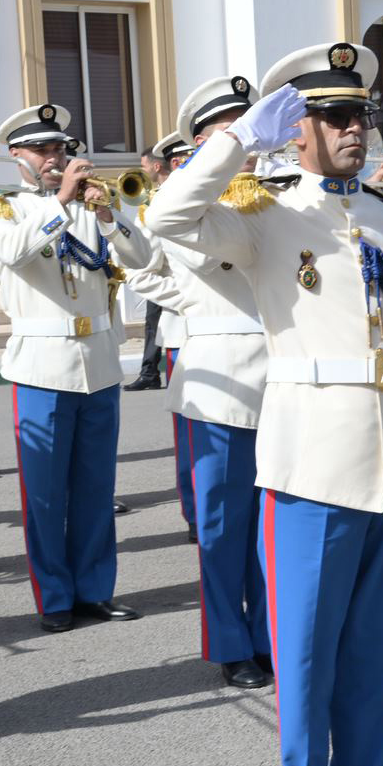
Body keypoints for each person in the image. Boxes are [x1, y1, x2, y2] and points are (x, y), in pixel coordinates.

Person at [145, 41, 383, 766]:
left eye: (361, 115)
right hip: (313, 466)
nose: (355, 130)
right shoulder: (265, 211)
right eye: (335, 117)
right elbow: (167, 217)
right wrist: (240, 140)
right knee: (308, 663)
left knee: (375, 662)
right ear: (298, 130)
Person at [0, 104, 151, 632]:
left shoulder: (91, 201)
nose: (55, 157)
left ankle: (95, 591)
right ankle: (54, 597)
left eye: (59, 148)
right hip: (42, 366)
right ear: (16, 156)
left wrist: (107, 216)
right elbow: (13, 254)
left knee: (95, 488)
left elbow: (141, 257)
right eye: (42, 150)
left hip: (98, 360)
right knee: (46, 494)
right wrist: (62, 201)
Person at [125, 73, 275, 690]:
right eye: (231, 131)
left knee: (271, 527)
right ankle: (230, 643)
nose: (249, 140)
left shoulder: (277, 193)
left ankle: (270, 634)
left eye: (251, 125)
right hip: (220, 384)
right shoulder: (183, 201)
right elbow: (209, 255)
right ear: (202, 144)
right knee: (223, 528)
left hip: (286, 379)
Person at [125, 136, 183, 393]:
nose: (143, 171)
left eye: (144, 166)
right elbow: (141, 266)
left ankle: (149, 372)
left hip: (172, 284)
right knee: (153, 324)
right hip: (168, 285)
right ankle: (149, 371)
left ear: (158, 166)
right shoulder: (152, 202)